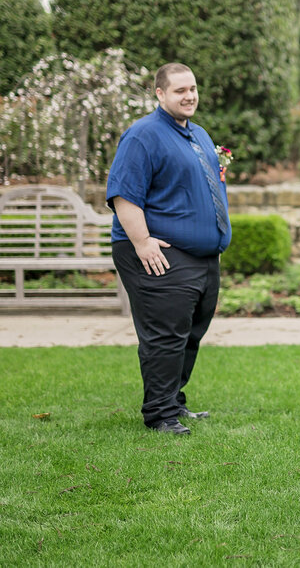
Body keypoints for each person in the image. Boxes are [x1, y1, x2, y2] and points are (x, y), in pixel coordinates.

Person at [107, 63, 231, 436]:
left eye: (192, 88)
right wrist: (142, 242)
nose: (189, 96)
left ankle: (174, 401)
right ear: (159, 94)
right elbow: (123, 195)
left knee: (190, 332)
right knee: (165, 334)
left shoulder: (198, 134)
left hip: (201, 256)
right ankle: (160, 414)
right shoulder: (143, 136)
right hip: (159, 251)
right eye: (179, 90)